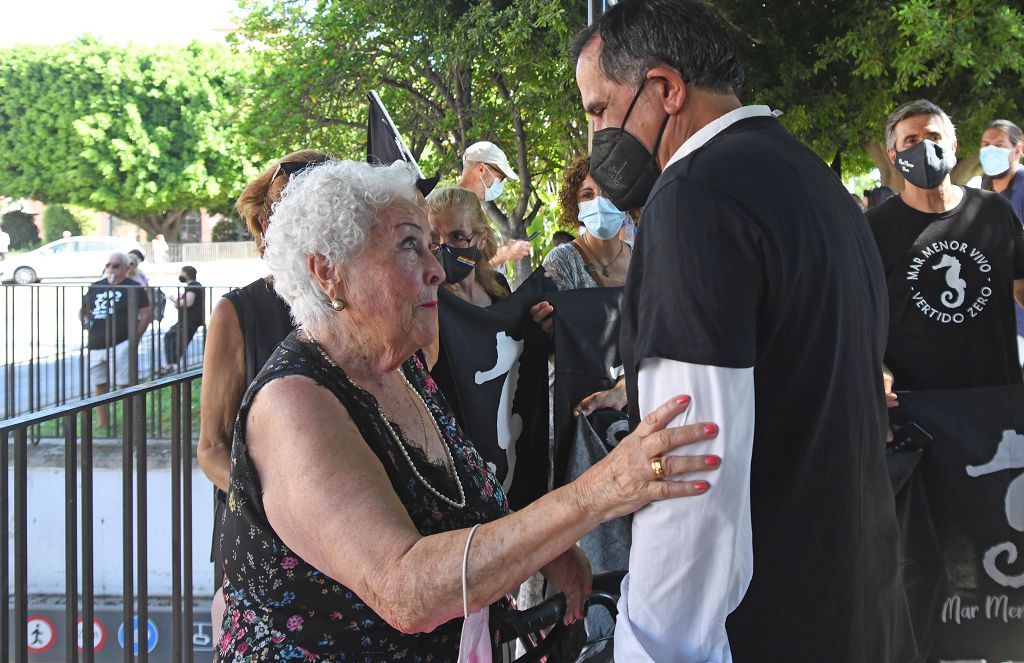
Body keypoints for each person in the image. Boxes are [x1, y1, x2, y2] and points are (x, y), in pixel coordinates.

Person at [215, 158, 720, 660]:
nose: (437, 269)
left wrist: (542, 549)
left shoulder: (399, 368)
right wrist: (600, 491)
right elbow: (406, 589)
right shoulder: (293, 405)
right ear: (329, 273)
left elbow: (463, 494)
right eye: (410, 246)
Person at [572, 2, 914, 661]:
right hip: (863, 606)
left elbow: (689, 474)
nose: (594, 136)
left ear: (665, 89)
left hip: (772, 626)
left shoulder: (694, 197)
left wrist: (648, 650)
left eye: (596, 110)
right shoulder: (813, 179)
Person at [198, 149, 327, 644]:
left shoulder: (353, 307)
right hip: (262, 546)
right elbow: (210, 447)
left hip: (347, 544)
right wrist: (279, 507)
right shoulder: (238, 312)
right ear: (267, 224)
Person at [868, 101, 1024, 392]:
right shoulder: (874, 228)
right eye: (911, 141)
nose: (925, 147)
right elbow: (859, 317)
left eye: (934, 137)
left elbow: (1021, 287)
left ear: (953, 145)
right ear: (893, 155)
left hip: (997, 396)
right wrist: (878, 369)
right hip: (917, 405)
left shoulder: (994, 211)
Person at [79, 252, 152, 428]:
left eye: (116, 265)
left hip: (121, 342)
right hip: (96, 343)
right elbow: (83, 310)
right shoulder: (96, 286)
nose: (111, 268)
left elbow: (146, 314)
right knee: (99, 383)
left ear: (126, 269)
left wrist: (133, 338)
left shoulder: (133, 286)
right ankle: (103, 423)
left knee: (124, 385)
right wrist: (86, 324)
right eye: (109, 265)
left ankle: (128, 422)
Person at [425, 186, 511, 307]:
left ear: (481, 240)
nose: (443, 246)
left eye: (456, 236)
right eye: (434, 238)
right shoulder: (431, 302)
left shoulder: (499, 285)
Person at [456, 140, 532, 266]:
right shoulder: (454, 207)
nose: (500, 184)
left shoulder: (469, 205)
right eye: (500, 178)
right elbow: (463, 266)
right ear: (481, 169)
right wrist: (505, 254)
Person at [160, 265, 205, 372]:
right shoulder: (191, 286)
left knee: (172, 337)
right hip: (187, 320)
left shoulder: (193, 285)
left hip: (190, 320)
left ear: (186, 274)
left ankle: (171, 365)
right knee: (175, 338)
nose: (180, 275)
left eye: (182, 273)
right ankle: (171, 364)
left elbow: (188, 302)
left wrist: (174, 300)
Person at [980, 118, 1024, 222]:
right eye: (986, 144)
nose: (991, 150)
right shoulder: (986, 184)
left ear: (1017, 150)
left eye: (999, 145)